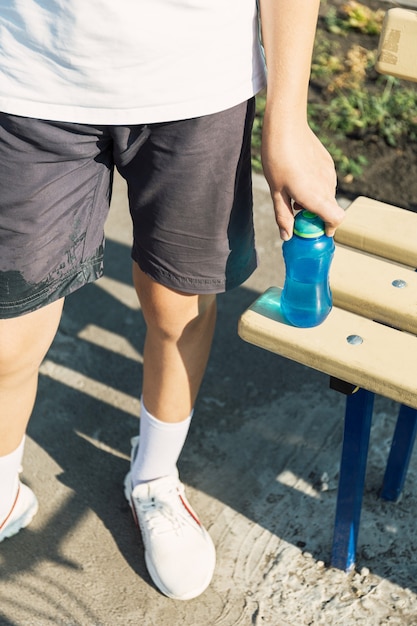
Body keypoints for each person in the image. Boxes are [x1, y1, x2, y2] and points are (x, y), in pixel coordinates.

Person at [0, 0, 345, 601]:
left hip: (196, 82)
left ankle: (155, 477)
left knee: (178, 308)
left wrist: (287, 117)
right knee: (8, 334)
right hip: (30, 74)